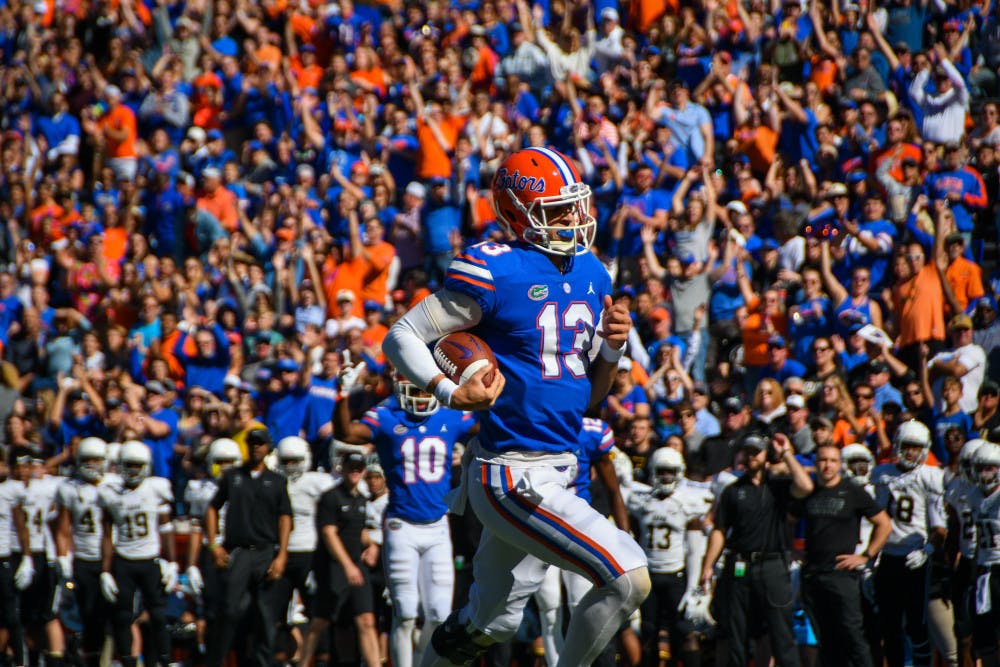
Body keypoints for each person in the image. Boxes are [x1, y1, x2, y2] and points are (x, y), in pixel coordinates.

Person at [383, 147, 650, 667]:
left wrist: (613, 349)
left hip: (559, 464)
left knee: (491, 623)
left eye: (575, 206)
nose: (574, 218)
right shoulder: (495, 270)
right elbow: (402, 335)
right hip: (511, 473)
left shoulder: (594, 272)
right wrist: (448, 390)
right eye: (557, 210)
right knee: (627, 577)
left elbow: (589, 395)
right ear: (517, 215)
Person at [335, 370, 476, 667]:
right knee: (406, 612)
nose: (422, 396)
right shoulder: (387, 417)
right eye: (417, 389)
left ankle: (424, 662)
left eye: (427, 390)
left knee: (439, 615)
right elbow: (345, 433)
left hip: (438, 526)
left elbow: (489, 421)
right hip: (402, 526)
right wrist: (343, 396)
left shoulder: (452, 417)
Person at [699, 432, 814, 667]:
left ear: (765, 455)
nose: (752, 456)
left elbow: (806, 486)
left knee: (781, 633)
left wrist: (787, 455)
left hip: (772, 565)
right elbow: (720, 530)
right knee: (736, 633)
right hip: (740, 565)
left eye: (757, 452)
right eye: (748, 451)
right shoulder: (733, 490)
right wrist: (708, 565)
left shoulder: (778, 487)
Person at [792, 443, 892, 667]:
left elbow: (884, 524)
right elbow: (788, 519)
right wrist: (792, 549)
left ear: (840, 464)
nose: (827, 465)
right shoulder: (809, 491)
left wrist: (865, 556)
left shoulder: (853, 491)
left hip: (841, 575)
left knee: (853, 635)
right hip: (813, 575)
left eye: (832, 461)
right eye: (822, 460)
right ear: (815, 464)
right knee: (825, 639)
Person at [204, 427, 292, 667]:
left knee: (266, 615)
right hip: (239, 550)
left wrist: (282, 555)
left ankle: (262, 663)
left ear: (267, 448)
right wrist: (214, 544)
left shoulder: (277, 481)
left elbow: (285, 518)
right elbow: (212, 508)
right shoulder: (233, 476)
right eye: (252, 443)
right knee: (229, 610)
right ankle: (216, 661)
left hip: (265, 550)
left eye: (260, 443)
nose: (255, 447)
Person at [871, 420, 947, 667]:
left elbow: (939, 528)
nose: (911, 452)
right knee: (888, 625)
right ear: (896, 446)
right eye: (907, 446)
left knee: (916, 626)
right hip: (887, 557)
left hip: (914, 558)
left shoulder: (931, 476)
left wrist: (928, 549)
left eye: (916, 447)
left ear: (925, 449)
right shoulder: (881, 474)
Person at [628, 447, 710, 667]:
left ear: (679, 472)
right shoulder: (641, 502)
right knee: (647, 632)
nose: (665, 476)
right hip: (649, 576)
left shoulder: (688, 503)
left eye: (669, 471)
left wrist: (693, 586)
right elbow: (631, 540)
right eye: (661, 471)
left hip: (676, 576)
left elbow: (694, 551)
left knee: (685, 632)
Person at [299, 451, 382, 667]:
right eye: (351, 467)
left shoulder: (361, 499)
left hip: (356, 565)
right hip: (333, 567)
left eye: (359, 468)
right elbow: (329, 533)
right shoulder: (331, 497)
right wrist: (347, 565)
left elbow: (358, 531)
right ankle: (303, 662)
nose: (355, 472)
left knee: (367, 620)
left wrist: (372, 545)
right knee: (320, 621)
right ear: (341, 469)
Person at [97, 441, 176, 667]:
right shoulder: (110, 493)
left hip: (150, 559)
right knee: (123, 617)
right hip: (124, 560)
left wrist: (171, 563)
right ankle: (129, 661)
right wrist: (105, 571)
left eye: (137, 465)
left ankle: (163, 660)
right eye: (129, 464)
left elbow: (166, 528)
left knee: (159, 615)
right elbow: (107, 534)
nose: (133, 470)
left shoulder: (155, 488)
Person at [55, 437, 113, 667]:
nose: (91, 464)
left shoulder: (115, 484)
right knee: (89, 616)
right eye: (86, 460)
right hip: (84, 558)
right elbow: (63, 528)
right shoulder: (69, 488)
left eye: (96, 459)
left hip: (113, 558)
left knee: (117, 615)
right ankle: (94, 659)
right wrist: (63, 557)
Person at [970, 441, 1000, 667]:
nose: (984, 473)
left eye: (990, 467)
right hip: (983, 571)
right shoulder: (974, 494)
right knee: (984, 636)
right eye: (981, 467)